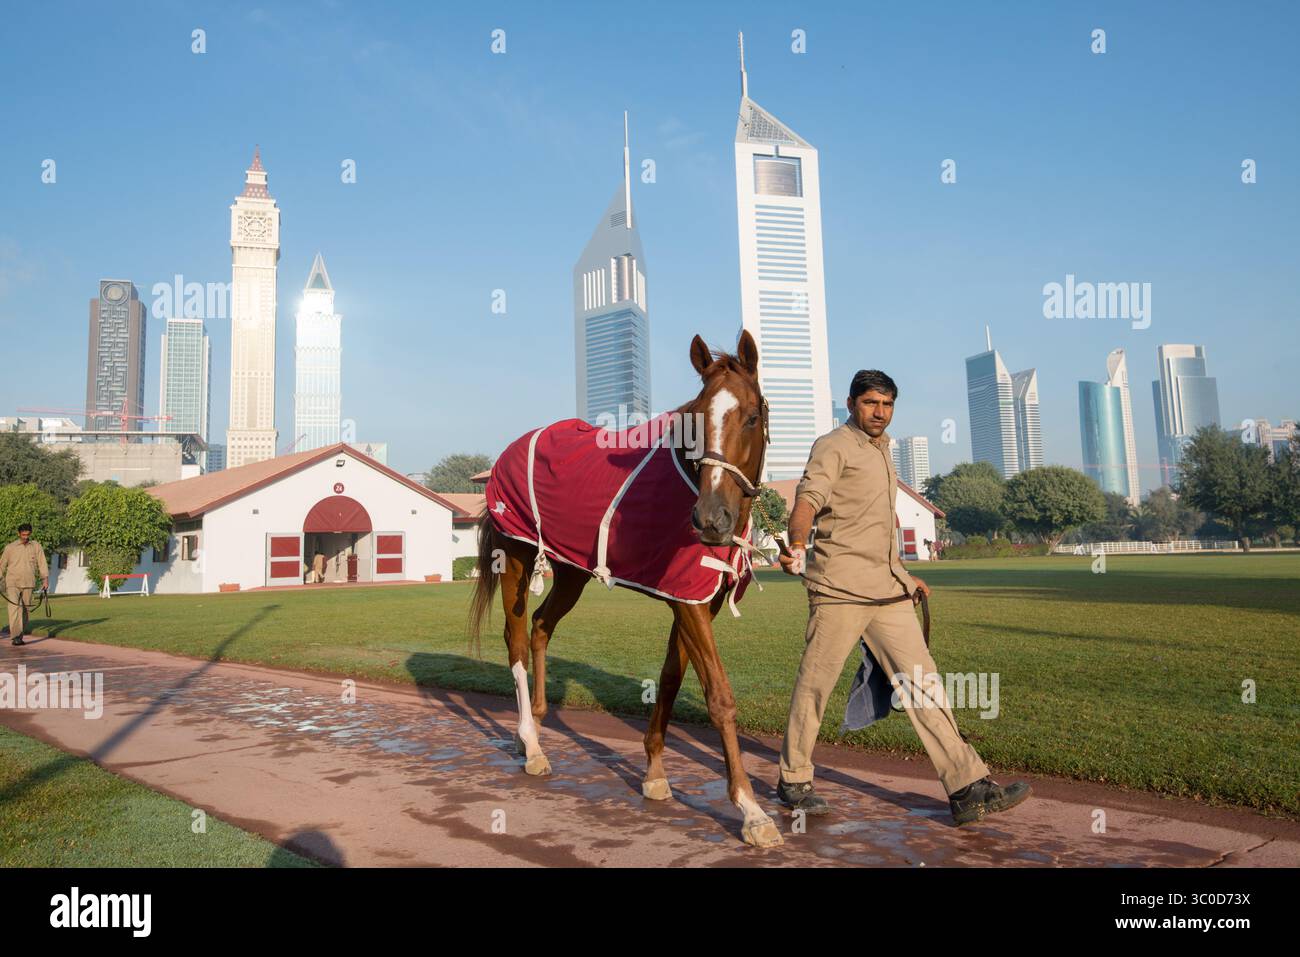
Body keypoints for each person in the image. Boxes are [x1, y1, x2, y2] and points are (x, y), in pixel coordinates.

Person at [776, 370, 1030, 826]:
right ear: (851, 403)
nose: (880, 412)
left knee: (924, 685)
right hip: (839, 590)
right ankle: (793, 780)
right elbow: (808, 500)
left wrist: (904, 574)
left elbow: (873, 524)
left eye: (888, 404)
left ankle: (967, 787)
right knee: (816, 684)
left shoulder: (884, 450)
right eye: (871, 403)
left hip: (887, 591)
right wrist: (797, 543)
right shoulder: (834, 445)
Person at [0, 523, 50, 647]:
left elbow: (42, 563)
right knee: (14, 608)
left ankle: (19, 635)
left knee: (26, 611)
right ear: (19, 534)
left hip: (29, 582)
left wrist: (45, 580)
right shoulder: (10, 548)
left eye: (27, 535)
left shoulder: (36, 546)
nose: (25, 537)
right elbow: (2, 565)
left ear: (30, 534)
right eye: (23, 535)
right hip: (13, 582)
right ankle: (16, 636)